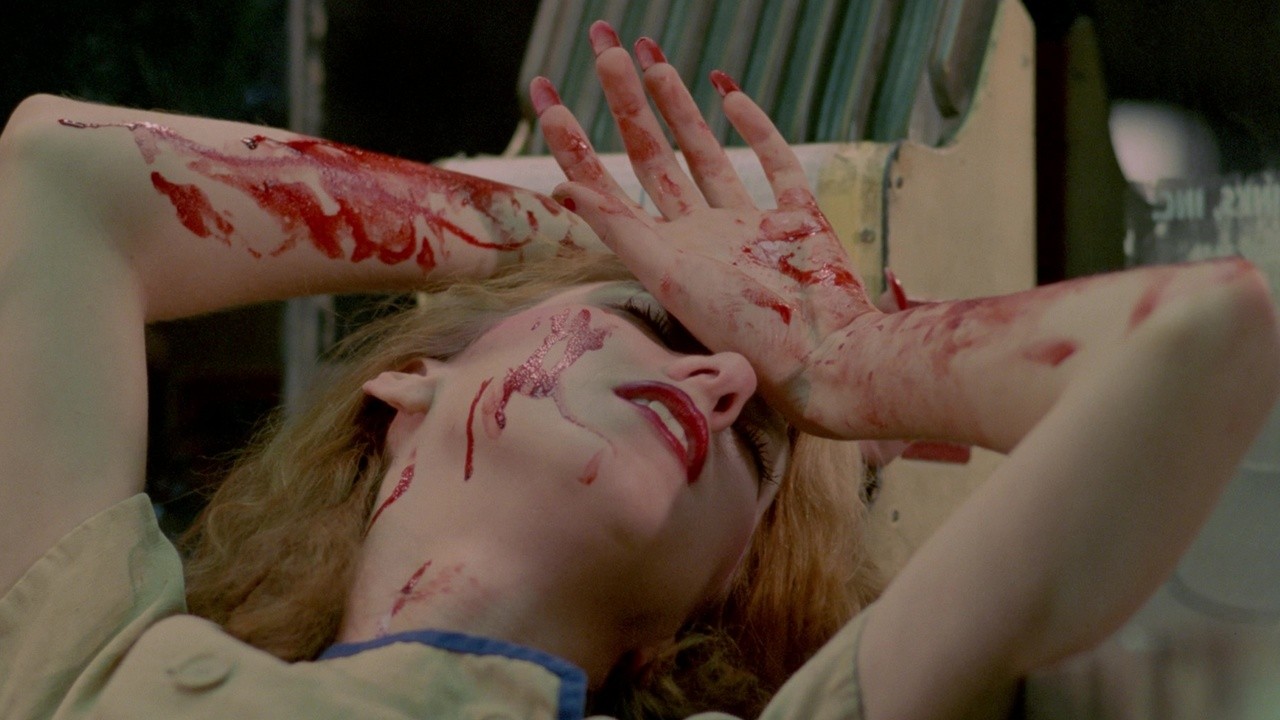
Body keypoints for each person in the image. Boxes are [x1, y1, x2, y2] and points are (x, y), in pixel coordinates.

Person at [2, 17, 1278, 720]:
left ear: (712, 591)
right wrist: (596, 230)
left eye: (757, 441)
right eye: (663, 324)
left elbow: (1199, 338)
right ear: (404, 393)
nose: (722, 387)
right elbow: (61, 176)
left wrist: (840, 362)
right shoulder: (101, 675)